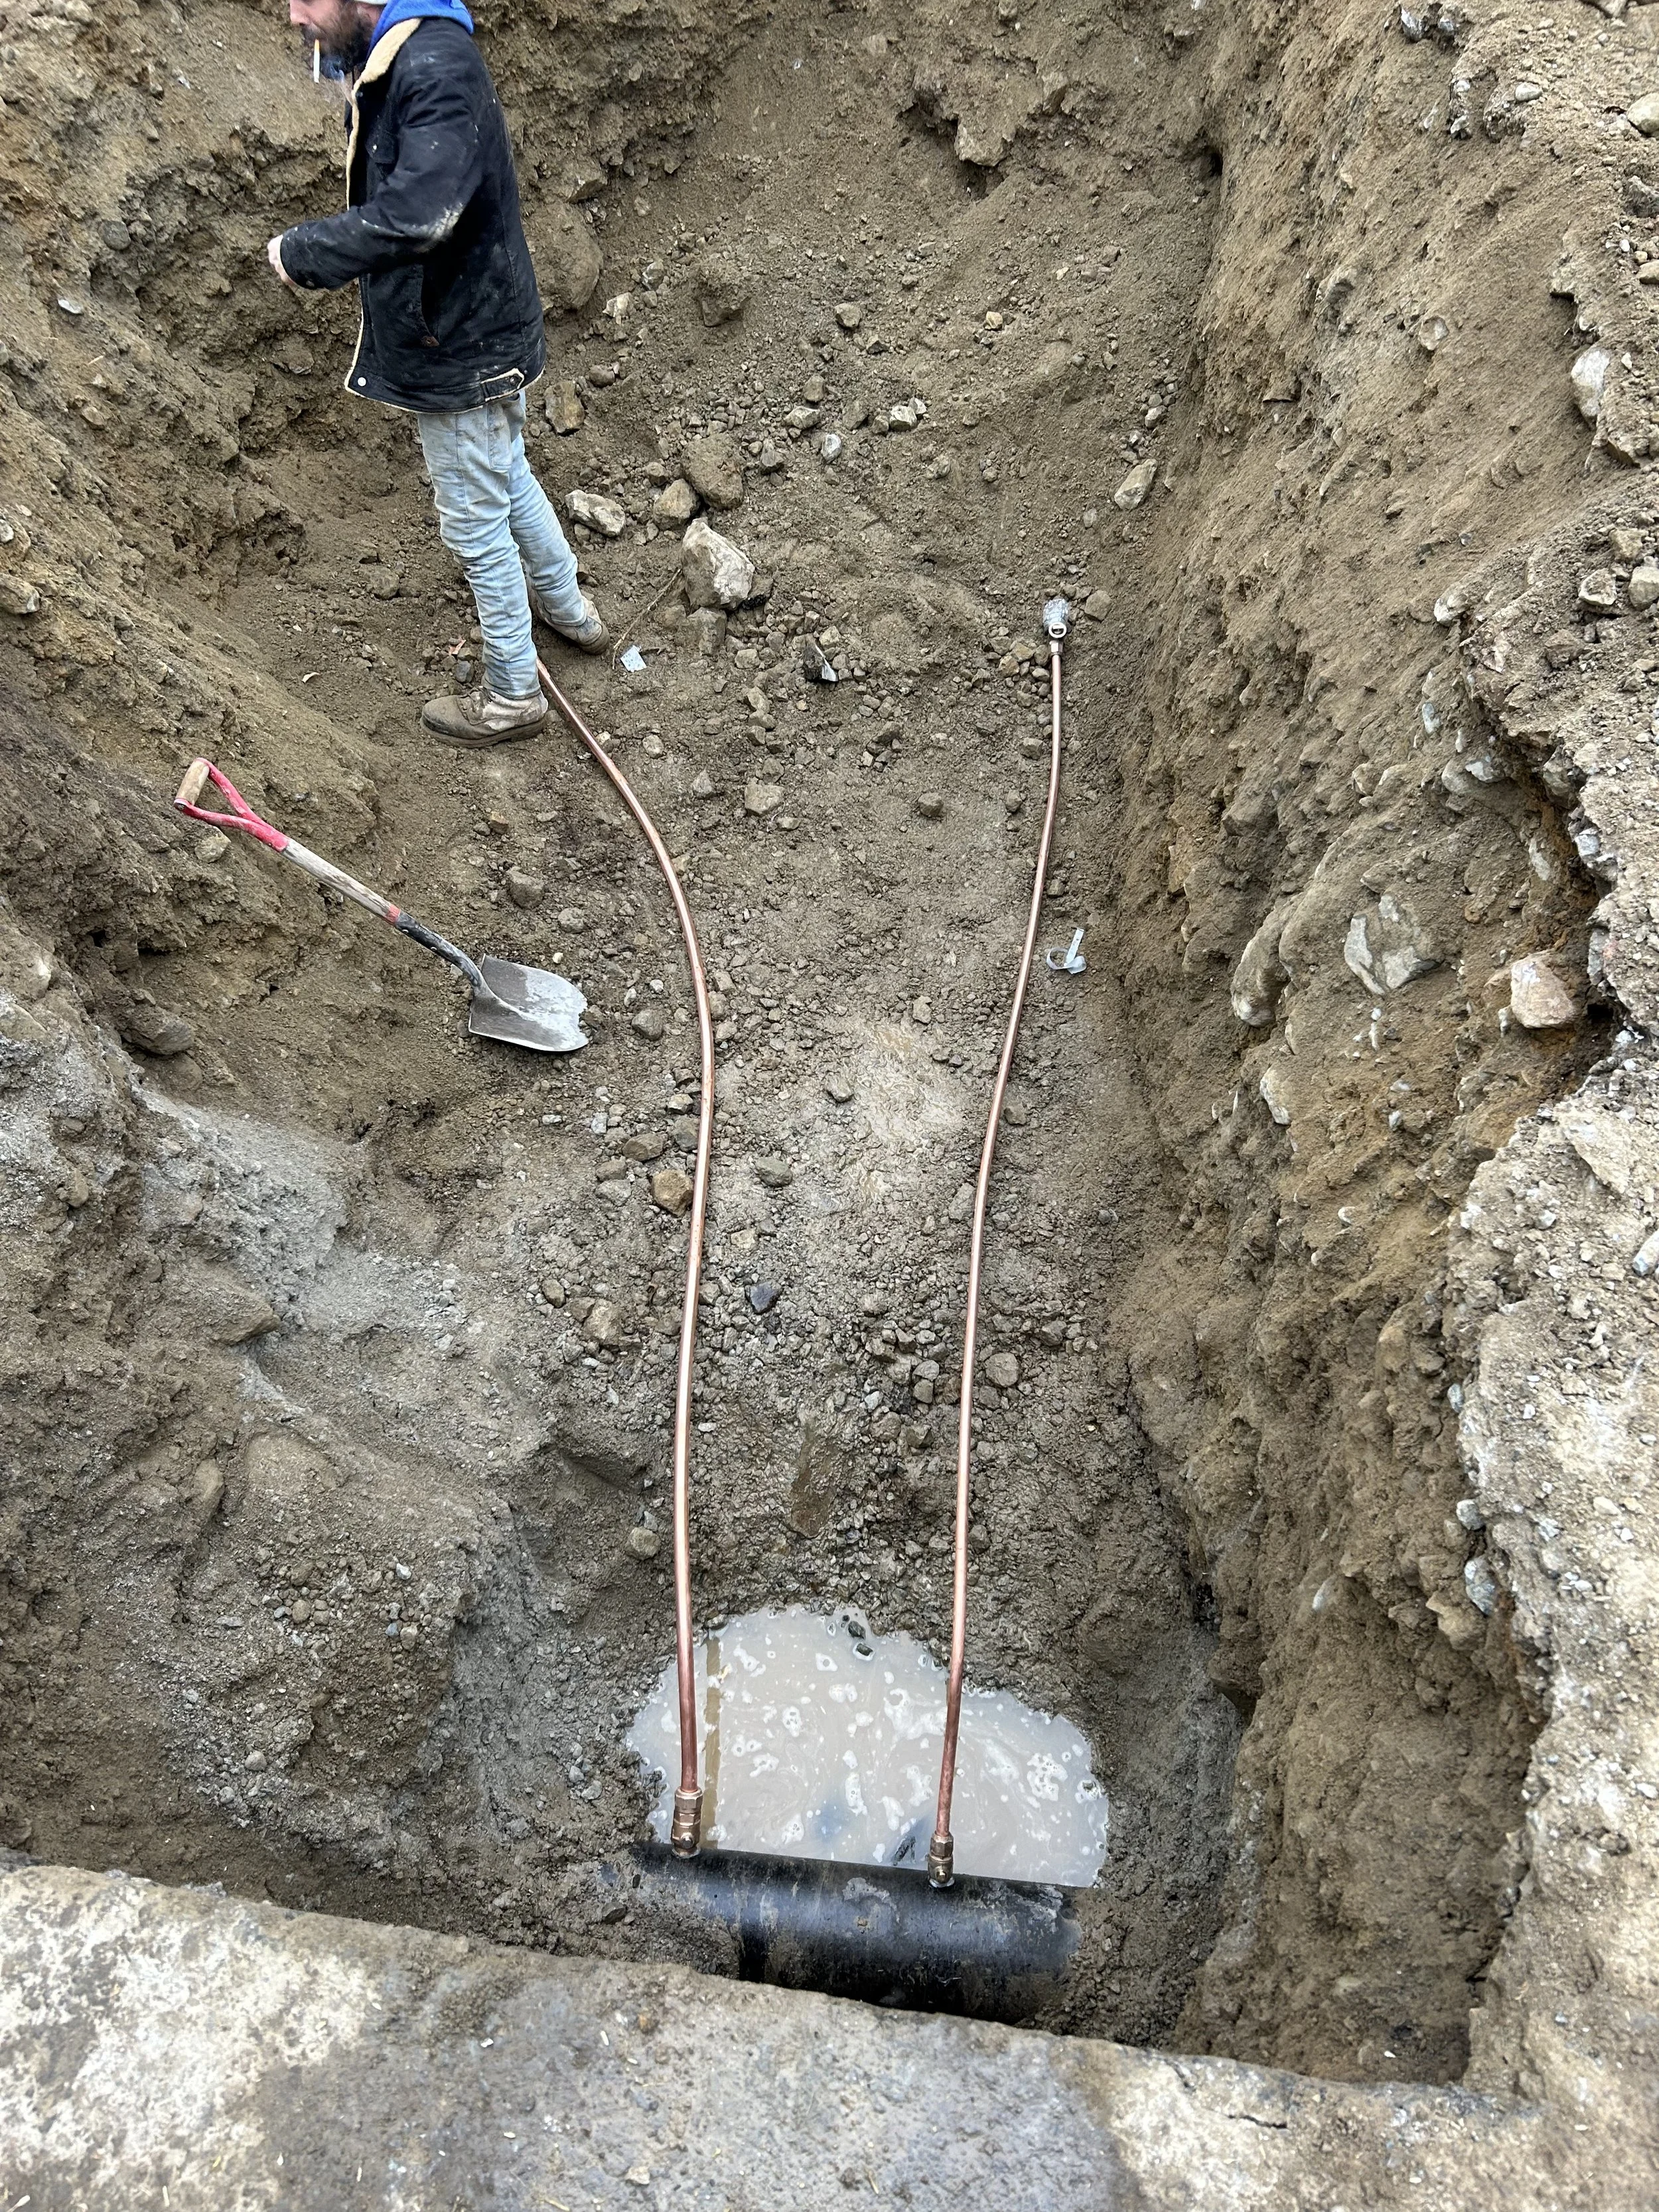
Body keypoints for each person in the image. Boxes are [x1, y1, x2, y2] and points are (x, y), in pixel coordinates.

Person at [267, 0, 607, 748]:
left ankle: (513, 694)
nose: (293, 15)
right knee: (506, 473)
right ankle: (570, 612)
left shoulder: (433, 67)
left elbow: (418, 215)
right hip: (472, 327)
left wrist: (304, 253)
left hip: (460, 344)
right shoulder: (409, 53)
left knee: (475, 523)